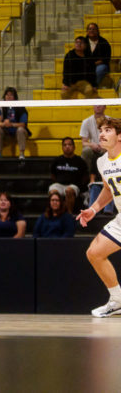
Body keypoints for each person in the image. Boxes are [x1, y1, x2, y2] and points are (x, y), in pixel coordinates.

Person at [77, 117, 121, 316]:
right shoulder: (102, 161)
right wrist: (93, 210)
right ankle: (117, 300)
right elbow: (107, 189)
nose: (102, 133)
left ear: (119, 136)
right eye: (101, 130)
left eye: (108, 130)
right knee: (94, 253)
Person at [50, 137, 90, 213]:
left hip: (73, 185)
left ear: (74, 147)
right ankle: (56, 214)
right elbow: (52, 175)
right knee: (53, 191)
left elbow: (85, 177)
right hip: (59, 184)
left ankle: (69, 215)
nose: (67, 147)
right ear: (62, 147)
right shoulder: (57, 160)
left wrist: (79, 186)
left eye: (69, 144)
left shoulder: (80, 161)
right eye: (65, 145)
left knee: (69, 190)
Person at [0, 86, 28, 159]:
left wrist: (11, 124)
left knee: (20, 130)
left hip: (17, 131)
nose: (8, 97)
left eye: (11, 95)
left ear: (15, 97)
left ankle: (21, 154)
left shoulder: (20, 106)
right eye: (7, 95)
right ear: (4, 96)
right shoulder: (1, 106)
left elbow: (23, 124)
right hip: (6, 131)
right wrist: (4, 124)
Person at [81, 105, 112, 171]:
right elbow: (84, 142)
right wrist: (92, 145)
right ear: (93, 106)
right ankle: (87, 176)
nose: (97, 106)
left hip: (107, 147)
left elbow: (115, 139)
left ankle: (110, 176)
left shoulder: (111, 121)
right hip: (94, 147)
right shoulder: (86, 121)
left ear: (105, 107)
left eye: (100, 105)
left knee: (112, 150)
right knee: (86, 151)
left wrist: (106, 146)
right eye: (96, 104)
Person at [84, 23, 112, 89]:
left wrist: (93, 64)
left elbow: (106, 58)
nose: (91, 30)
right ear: (87, 31)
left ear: (97, 31)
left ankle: (93, 86)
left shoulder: (104, 42)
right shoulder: (83, 42)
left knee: (100, 69)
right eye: (90, 29)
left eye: (94, 29)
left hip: (100, 65)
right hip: (86, 65)